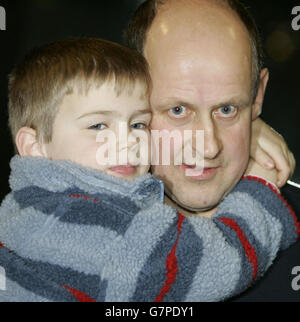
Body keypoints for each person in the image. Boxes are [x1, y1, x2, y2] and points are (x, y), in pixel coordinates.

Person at [0, 37, 298, 302]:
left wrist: (241, 129)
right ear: (34, 145)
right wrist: (260, 187)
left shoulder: (28, 206)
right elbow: (219, 263)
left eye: (138, 124)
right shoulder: (82, 220)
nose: (127, 142)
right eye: (98, 125)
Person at [124, 0, 300, 301]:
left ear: (257, 95)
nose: (208, 146)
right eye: (178, 110)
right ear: (128, 96)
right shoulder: (69, 232)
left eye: (227, 109)